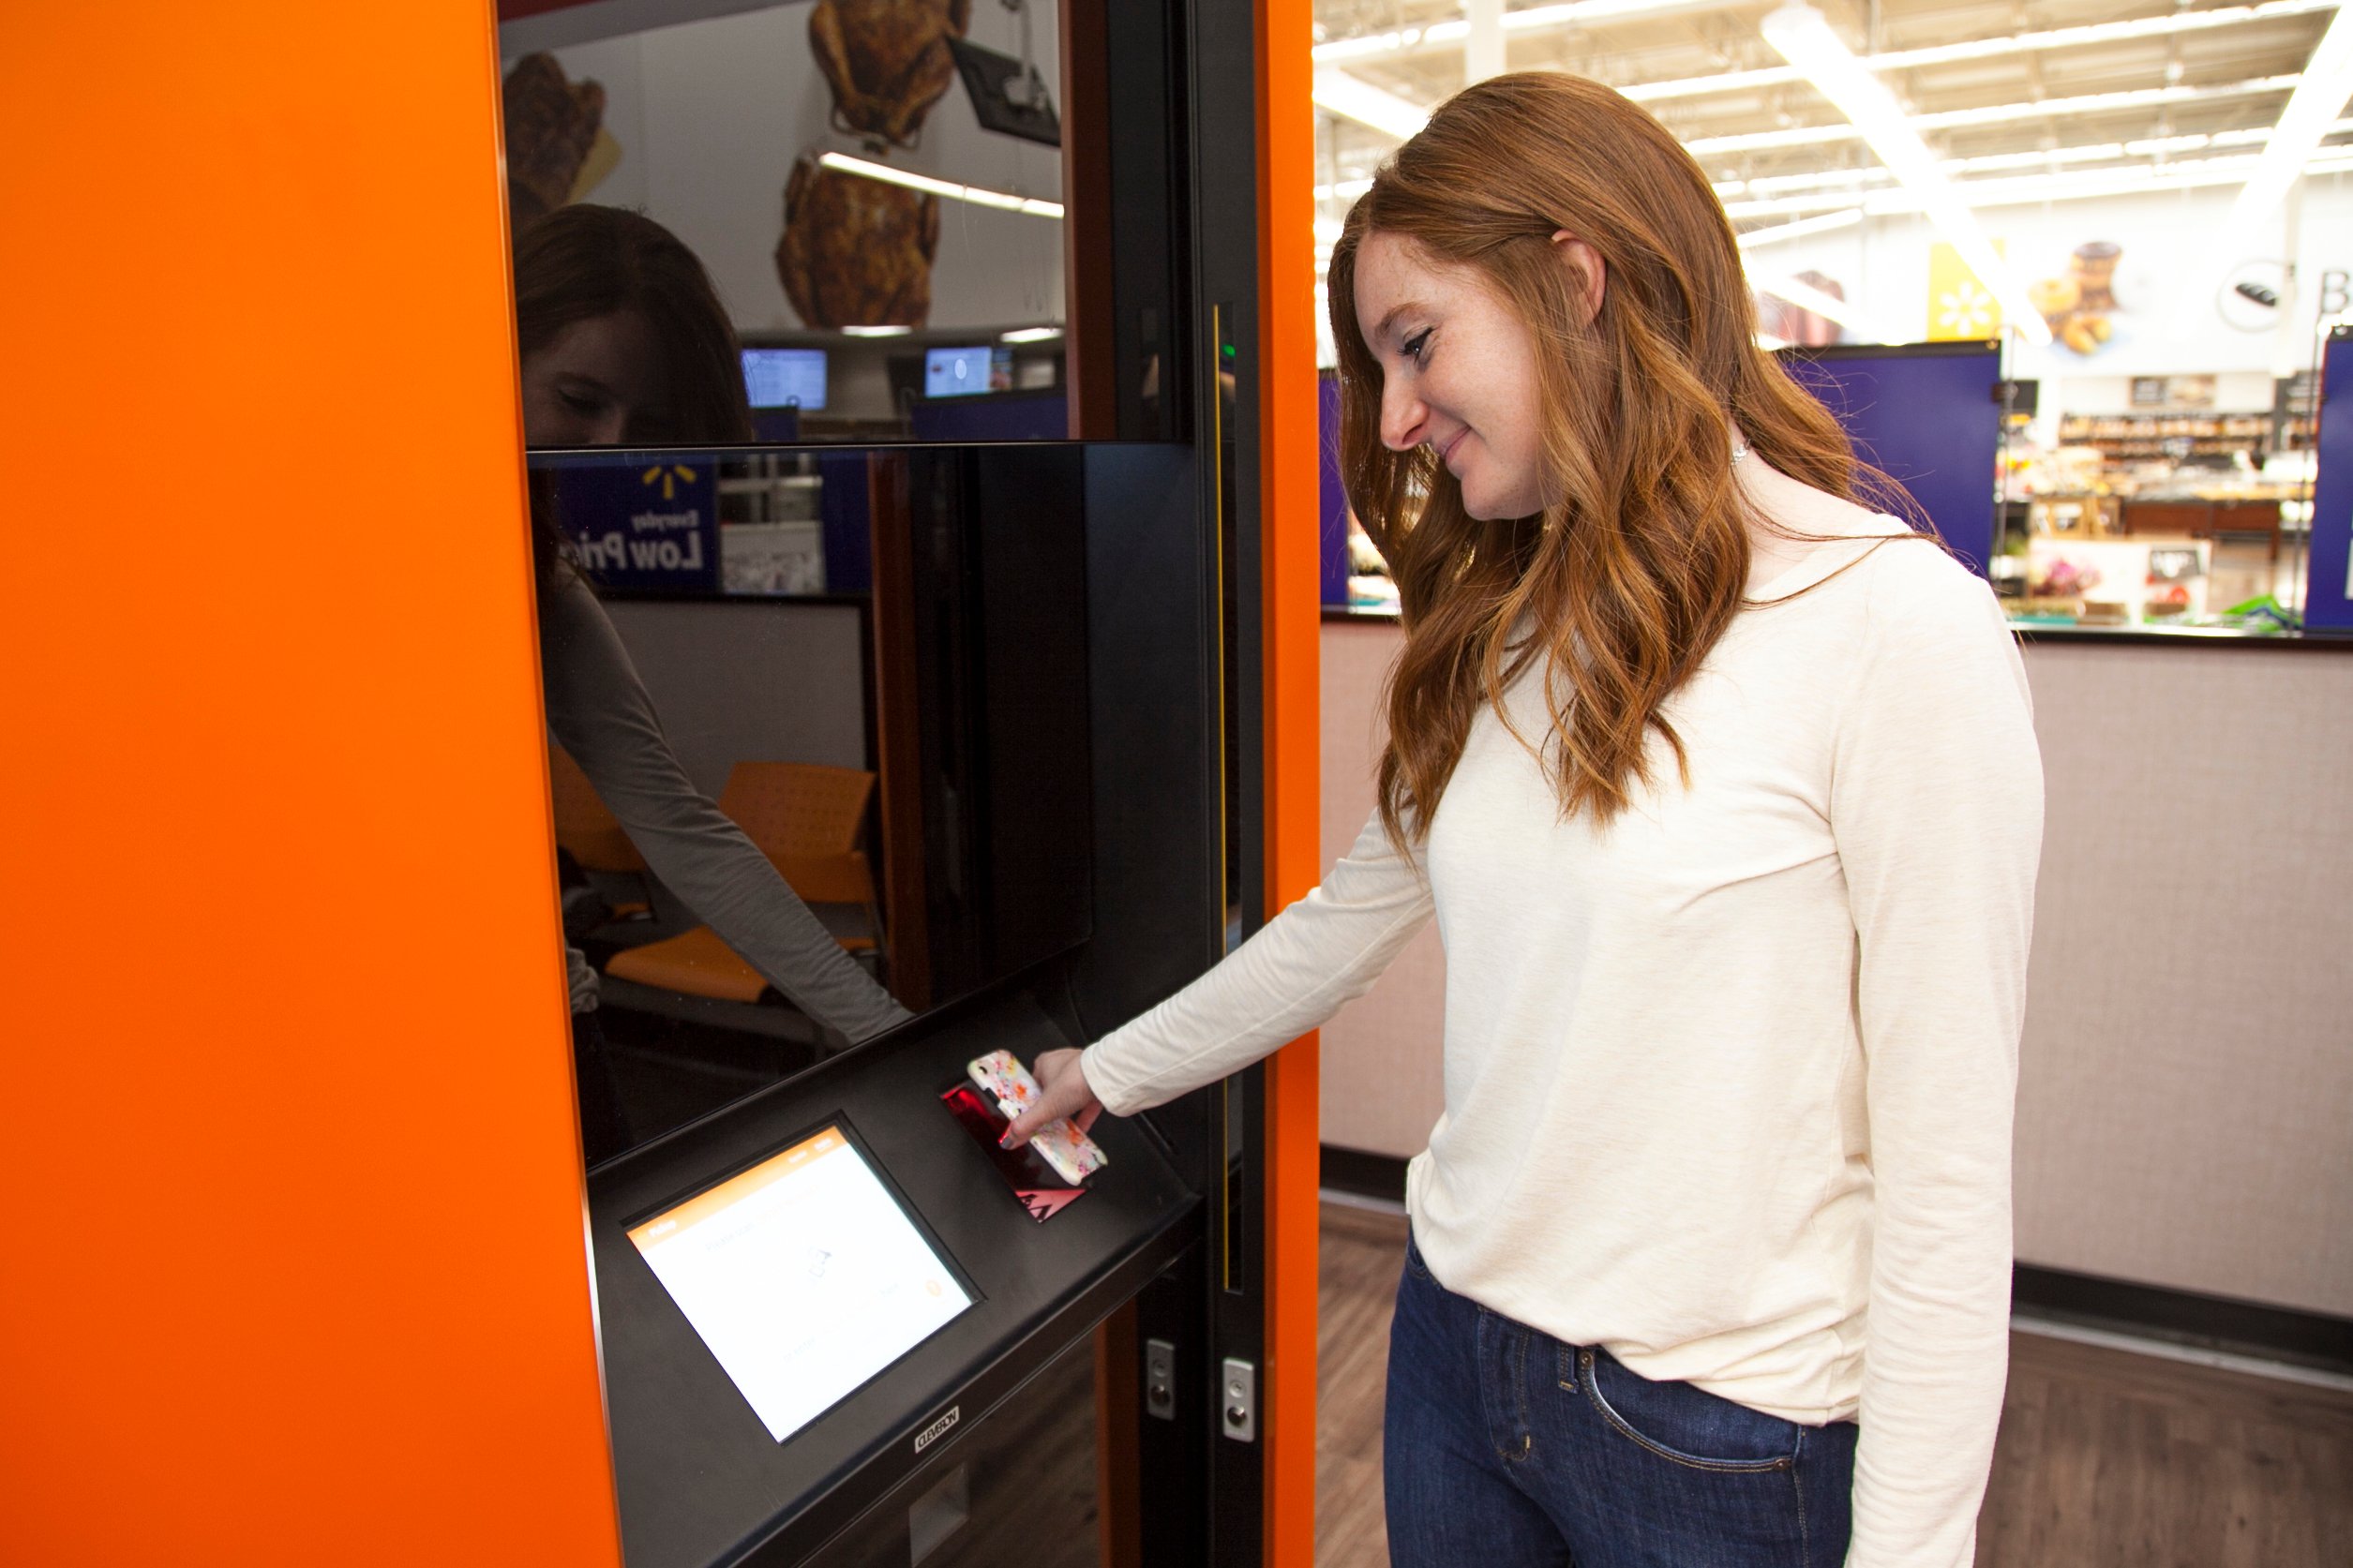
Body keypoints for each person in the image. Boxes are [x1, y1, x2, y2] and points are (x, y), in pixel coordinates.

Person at [1005, 74, 2041, 1568]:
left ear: (1575, 278)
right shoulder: (1505, 631)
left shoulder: (1897, 635)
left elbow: (1948, 1180)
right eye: (1378, 370)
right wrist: (1104, 1072)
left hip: (1722, 1437)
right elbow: (1340, 928)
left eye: (1415, 345)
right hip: (1454, 1358)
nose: (1399, 417)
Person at [515, 204, 912, 1160]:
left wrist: (889, 1036)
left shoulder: (541, 587)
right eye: (577, 397)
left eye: (642, 422)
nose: (605, 444)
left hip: (539, 1040)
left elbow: (681, 827)